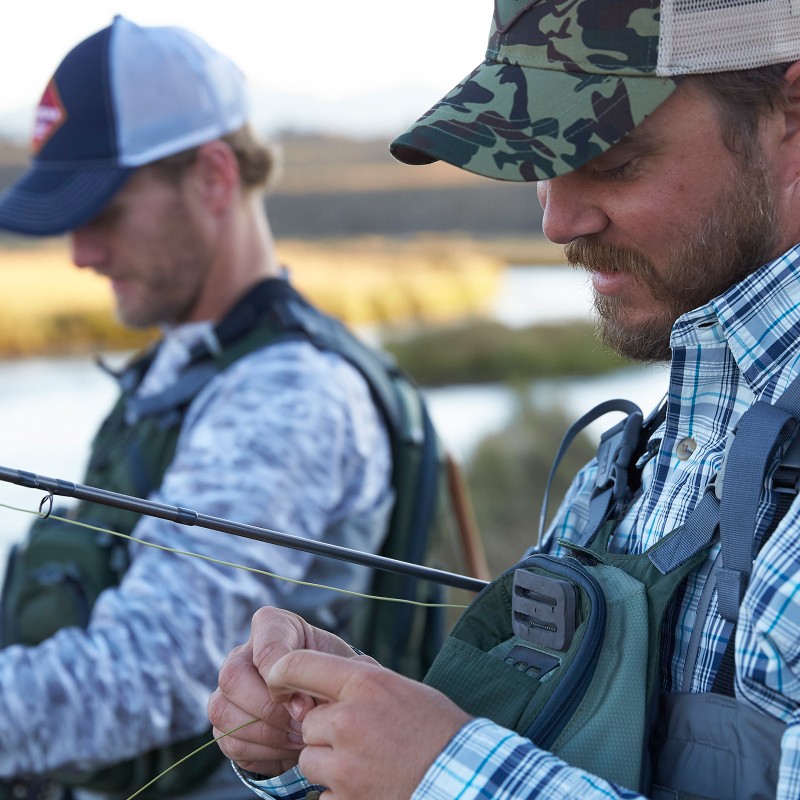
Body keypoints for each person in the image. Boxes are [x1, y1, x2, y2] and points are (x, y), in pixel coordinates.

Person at [207, 0, 800, 798]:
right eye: (538, 161)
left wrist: (440, 773)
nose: (557, 220)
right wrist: (342, 723)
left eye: (615, 159)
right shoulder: (655, 449)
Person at [0, 15, 395, 800]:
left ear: (213, 177)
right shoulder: (187, 365)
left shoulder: (289, 396)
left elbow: (148, 673)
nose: (81, 253)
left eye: (104, 211)